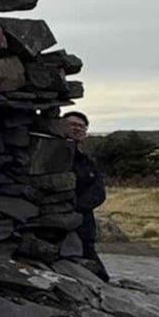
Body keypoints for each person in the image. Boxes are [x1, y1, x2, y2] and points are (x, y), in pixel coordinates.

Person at [62, 110, 109, 280]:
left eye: (81, 126)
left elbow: (98, 191)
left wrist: (77, 208)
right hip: (53, 221)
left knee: (92, 265)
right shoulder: (49, 155)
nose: (77, 129)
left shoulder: (87, 161)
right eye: (72, 124)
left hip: (83, 223)